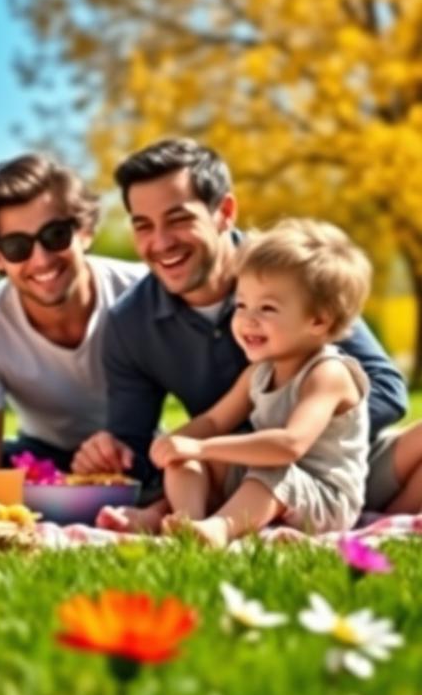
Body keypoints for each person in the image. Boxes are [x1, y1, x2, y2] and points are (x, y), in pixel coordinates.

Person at [72, 138, 407, 531]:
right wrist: (118, 453)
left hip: (334, 458)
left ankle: (352, 521)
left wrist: (273, 438)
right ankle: (186, 524)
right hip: (234, 468)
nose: (160, 242)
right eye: (143, 225)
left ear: (224, 212)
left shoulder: (292, 271)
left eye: (179, 219)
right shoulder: (131, 322)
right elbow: (153, 441)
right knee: (197, 464)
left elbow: (387, 390)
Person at [154, 219, 371, 546]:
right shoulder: (259, 372)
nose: (247, 319)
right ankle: (190, 522)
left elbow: (289, 445)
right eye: (241, 304)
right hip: (270, 480)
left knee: (270, 467)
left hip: (325, 499)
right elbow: (214, 420)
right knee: (188, 458)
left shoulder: (328, 373)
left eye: (267, 307)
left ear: (318, 320)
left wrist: (202, 445)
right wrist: (178, 442)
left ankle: (220, 529)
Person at [0, 153, 145, 472]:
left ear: (84, 232)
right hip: (41, 456)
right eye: (16, 246)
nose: (41, 260)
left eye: (55, 235)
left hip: (136, 447)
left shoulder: (142, 292)